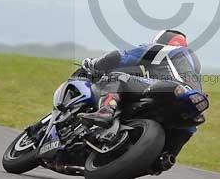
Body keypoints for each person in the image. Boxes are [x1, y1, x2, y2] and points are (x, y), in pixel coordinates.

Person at [78, 29, 200, 158]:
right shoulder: (192, 66)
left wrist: (93, 64)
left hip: (170, 87)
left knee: (117, 78)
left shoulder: (164, 49)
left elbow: (120, 57)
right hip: (192, 102)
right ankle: (165, 158)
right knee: (187, 127)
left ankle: (106, 111)